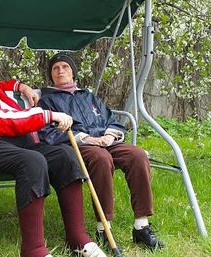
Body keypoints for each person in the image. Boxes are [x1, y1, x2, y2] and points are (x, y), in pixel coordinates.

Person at [0, 32, 108, 257]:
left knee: (65, 155)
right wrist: (45, 116)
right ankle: (34, 250)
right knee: (32, 161)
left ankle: (77, 238)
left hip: (2, 140)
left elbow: (1, 88)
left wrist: (20, 86)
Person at [38, 53, 165, 251]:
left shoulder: (89, 97)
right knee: (101, 158)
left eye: (65, 67)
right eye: (55, 68)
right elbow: (47, 133)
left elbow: (112, 120)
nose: (60, 71)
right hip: (78, 145)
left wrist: (110, 136)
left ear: (73, 72)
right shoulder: (47, 100)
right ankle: (103, 228)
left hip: (106, 141)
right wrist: (86, 139)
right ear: (51, 75)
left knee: (137, 155)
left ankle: (141, 226)